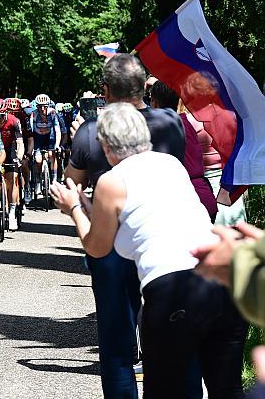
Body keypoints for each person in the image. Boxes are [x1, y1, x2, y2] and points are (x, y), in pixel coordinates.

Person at [52, 103, 247, 399]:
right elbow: (140, 223)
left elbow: (97, 247)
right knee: (227, 391)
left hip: (175, 291)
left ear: (105, 145)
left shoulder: (111, 180)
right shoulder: (170, 164)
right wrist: (93, 211)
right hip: (225, 280)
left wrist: (75, 207)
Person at [64, 53, 187, 399]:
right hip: (163, 239)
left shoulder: (91, 131)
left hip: (111, 242)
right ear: (143, 87)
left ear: (105, 91)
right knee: (177, 339)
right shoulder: (169, 122)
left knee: (117, 348)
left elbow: (73, 181)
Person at [150, 81, 217, 221]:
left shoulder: (161, 130)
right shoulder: (185, 122)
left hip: (187, 204)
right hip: (203, 197)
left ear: (155, 103)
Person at [0, 98, 24, 231]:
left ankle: (13, 212)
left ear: (6, 112)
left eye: (0, 115)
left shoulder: (14, 121)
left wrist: (19, 158)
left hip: (10, 149)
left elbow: (20, 143)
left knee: (12, 179)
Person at [28, 93, 61, 191]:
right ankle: (38, 180)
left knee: (52, 154)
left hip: (49, 136)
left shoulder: (53, 113)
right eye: (40, 107)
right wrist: (31, 148)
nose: (42, 109)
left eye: (45, 107)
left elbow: (57, 130)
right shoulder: (34, 114)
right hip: (38, 138)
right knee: (38, 161)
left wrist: (57, 145)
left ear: (48, 106)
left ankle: (54, 179)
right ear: (36, 106)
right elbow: (31, 133)